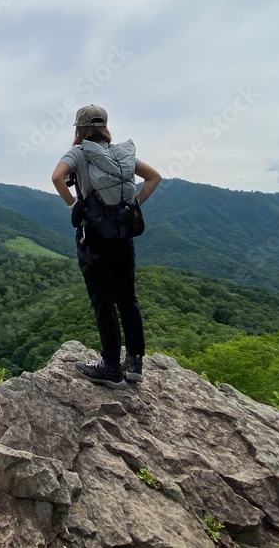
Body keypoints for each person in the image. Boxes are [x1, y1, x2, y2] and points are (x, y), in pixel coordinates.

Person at [51, 104, 162, 388]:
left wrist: (73, 204)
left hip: (95, 238)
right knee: (127, 298)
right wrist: (130, 207)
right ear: (105, 127)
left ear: (79, 128)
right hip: (124, 235)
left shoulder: (79, 152)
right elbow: (154, 178)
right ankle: (135, 363)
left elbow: (56, 177)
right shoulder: (120, 154)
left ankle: (110, 365)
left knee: (103, 301)